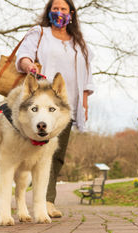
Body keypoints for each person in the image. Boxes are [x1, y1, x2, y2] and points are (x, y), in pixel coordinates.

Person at [15, 0, 94, 217]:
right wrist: (29, 65)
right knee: (40, 153)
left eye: (63, 9)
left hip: (65, 107)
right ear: (49, 12)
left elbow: (87, 77)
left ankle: (45, 200)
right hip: (41, 104)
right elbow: (22, 56)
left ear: (71, 14)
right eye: (55, 8)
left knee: (57, 154)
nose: (59, 12)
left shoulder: (79, 44)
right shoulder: (39, 33)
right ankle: (40, 201)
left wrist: (84, 103)